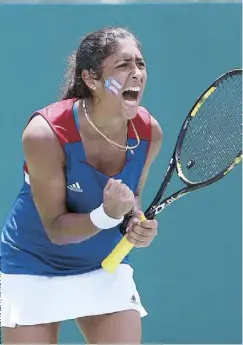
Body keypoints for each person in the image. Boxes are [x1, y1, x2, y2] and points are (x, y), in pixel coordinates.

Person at [0, 26, 163, 344]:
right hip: (33, 264)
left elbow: (134, 196)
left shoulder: (148, 132)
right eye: (123, 65)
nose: (136, 74)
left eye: (140, 64)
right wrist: (108, 214)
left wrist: (133, 221)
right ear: (91, 78)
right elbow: (56, 229)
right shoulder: (45, 134)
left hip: (103, 266)